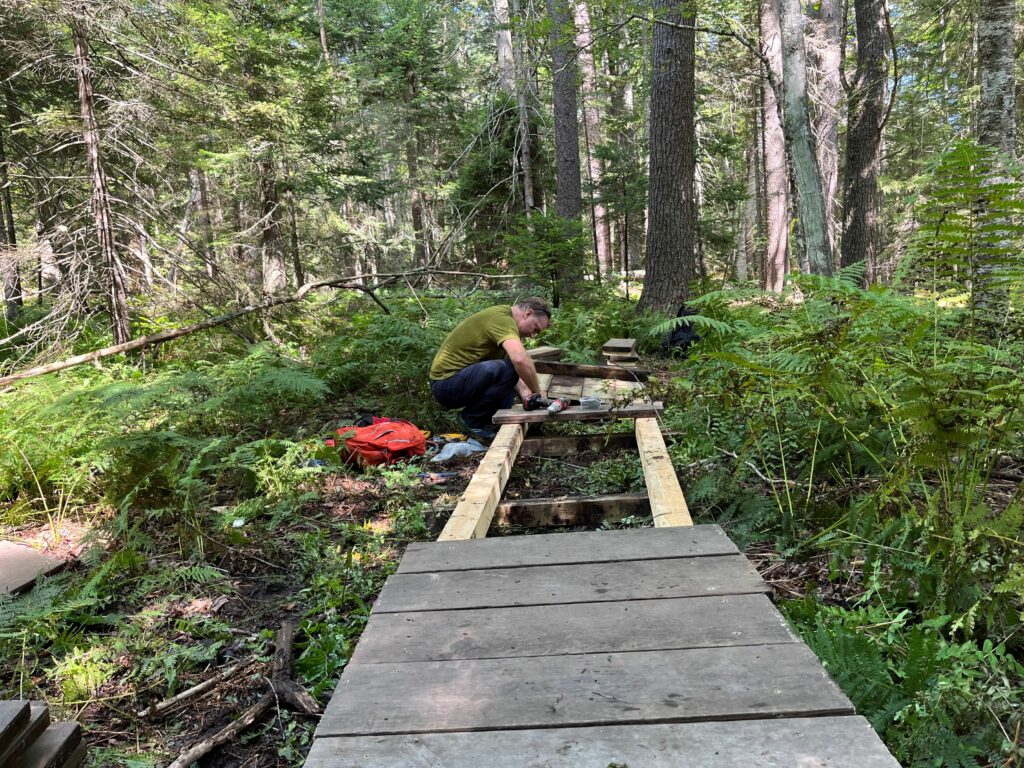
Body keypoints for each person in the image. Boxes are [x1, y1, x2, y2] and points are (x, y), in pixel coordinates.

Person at [429, 297, 551, 440]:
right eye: (535, 328)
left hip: (459, 381)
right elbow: (520, 359)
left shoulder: (506, 322)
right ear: (528, 313)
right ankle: (470, 420)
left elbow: (512, 371)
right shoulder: (501, 319)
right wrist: (538, 392)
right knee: (509, 367)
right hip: (446, 385)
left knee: (508, 373)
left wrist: (527, 395)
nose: (532, 335)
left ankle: (489, 422)